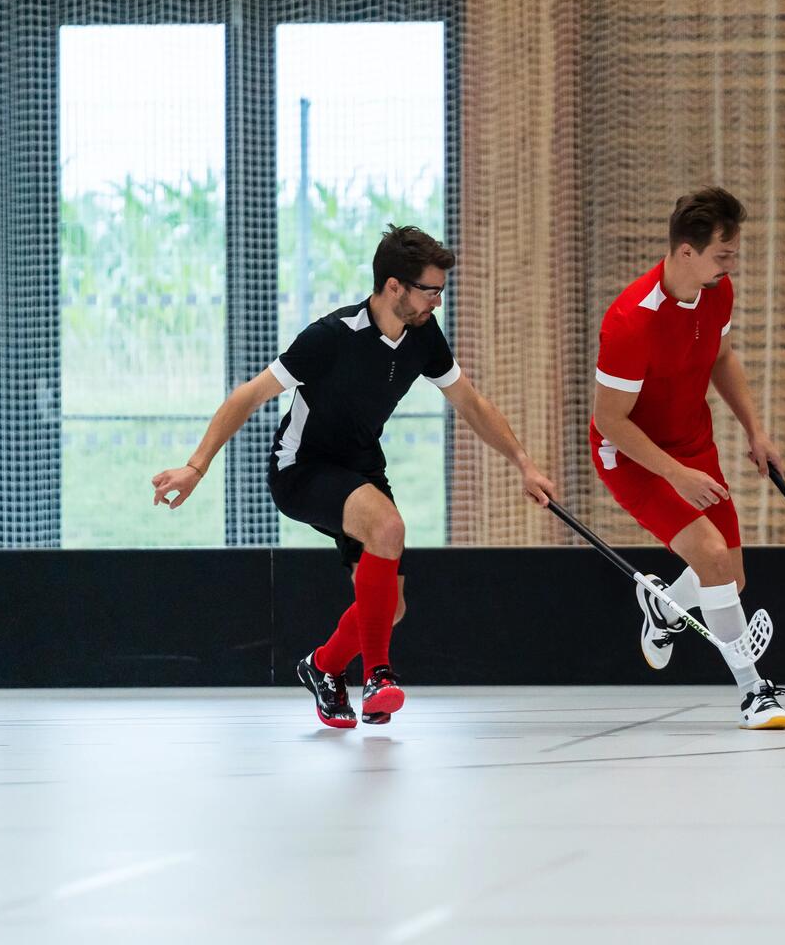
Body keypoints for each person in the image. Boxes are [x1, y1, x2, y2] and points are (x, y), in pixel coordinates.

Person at [152, 224, 556, 728]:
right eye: (431, 290)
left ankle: (322, 667)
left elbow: (470, 402)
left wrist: (524, 463)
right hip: (301, 466)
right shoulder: (331, 337)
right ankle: (378, 677)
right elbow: (249, 395)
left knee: (389, 611)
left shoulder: (423, 336)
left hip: (361, 465)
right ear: (393, 287)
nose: (438, 301)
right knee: (388, 528)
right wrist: (196, 467)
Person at [590, 187, 785, 730]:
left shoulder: (716, 293)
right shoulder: (630, 321)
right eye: (723, 255)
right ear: (685, 252)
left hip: (692, 445)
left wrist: (756, 430)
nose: (732, 264)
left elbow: (721, 357)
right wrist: (675, 475)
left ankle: (662, 608)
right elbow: (610, 421)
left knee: (732, 576)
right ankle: (754, 692)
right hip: (630, 455)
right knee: (710, 555)